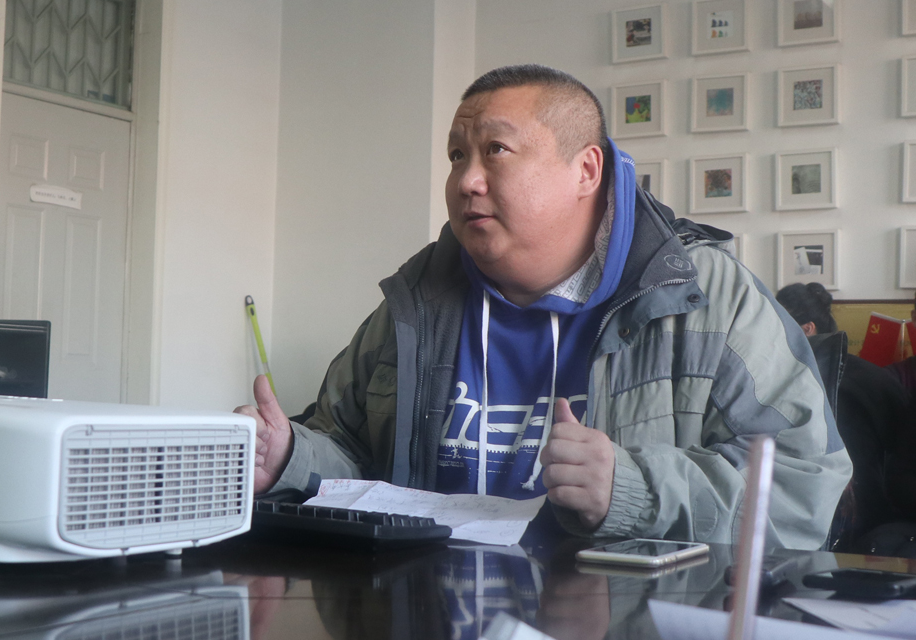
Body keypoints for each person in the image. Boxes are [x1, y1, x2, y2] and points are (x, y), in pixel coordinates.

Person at [237, 64, 852, 549]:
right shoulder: (420, 298)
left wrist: (632, 488)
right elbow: (347, 445)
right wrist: (289, 455)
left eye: (496, 150)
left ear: (585, 170)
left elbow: (803, 491)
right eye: (457, 156)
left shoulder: (703, 296)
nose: (466, 180)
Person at [775, 282, 909, 547]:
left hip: (839, 520)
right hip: (870, 519)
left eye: (775, 324)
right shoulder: (873, 376)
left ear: (807, 329)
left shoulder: (802, 383)